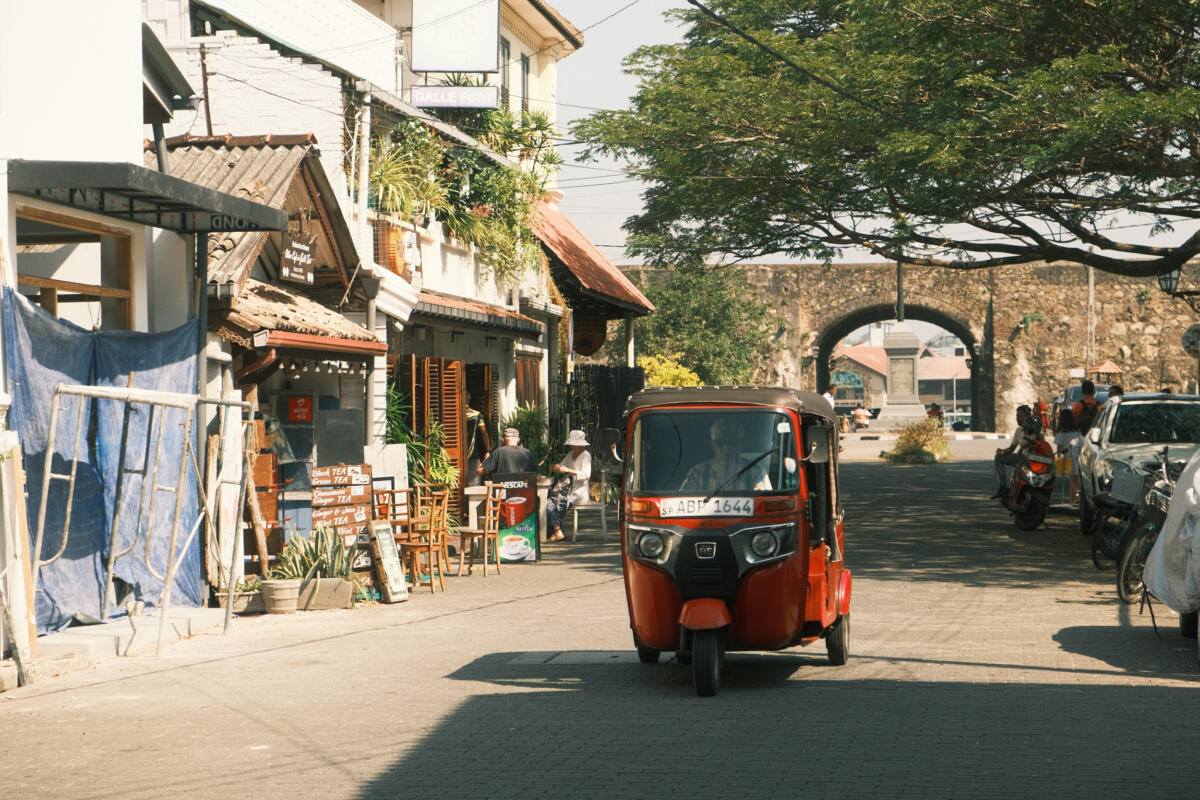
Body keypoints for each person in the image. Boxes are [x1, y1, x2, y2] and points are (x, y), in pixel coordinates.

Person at [680, 418, 772, 493]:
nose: (726, 448)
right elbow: (683, 503)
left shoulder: (756, 472)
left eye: (733, 443)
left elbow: (764, 503)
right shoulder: (698, 472)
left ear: (741, 445)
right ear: (713, 446)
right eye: (720, 443)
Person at [545, 430, 592, 543]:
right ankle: (557, 531)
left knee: (552, 502)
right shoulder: (570, 454)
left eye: (574, 444)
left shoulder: (586, 456)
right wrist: (557, 467)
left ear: (581, 444)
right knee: (550, 500)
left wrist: (568, 470)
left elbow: (586, 475)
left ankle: (557, 531)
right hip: (567, 490)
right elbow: (562, 465)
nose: (572, 446)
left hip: (579, 492)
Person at [993, 405, 1033, 496]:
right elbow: (1011, 449)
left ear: (1027, 416)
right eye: (1017, 416)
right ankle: (1003, 487)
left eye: (1020, 416)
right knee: (998, 457)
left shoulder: (1035, 429)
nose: (1017, 418)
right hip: (1022, 458)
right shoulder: (1019, 430)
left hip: (1032, 460)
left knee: (1019, 467)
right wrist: (1003, 451)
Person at [1053, 408, 1084, 504]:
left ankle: (1072, 499)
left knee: (1071, 480)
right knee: (1077, 479)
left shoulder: (1060, 432)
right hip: (1078, 457)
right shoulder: (1077, 431)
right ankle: (1078, 499)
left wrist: (1058, 460)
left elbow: (1059, 449)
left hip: (1068, 458)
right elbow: (1081, 444)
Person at [464, 392, 491, 487]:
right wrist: (487, 450)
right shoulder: (477, 414)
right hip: (473, 454)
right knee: (473, 484)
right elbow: (484, 433)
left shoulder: (453, 415)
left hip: (455, 455)